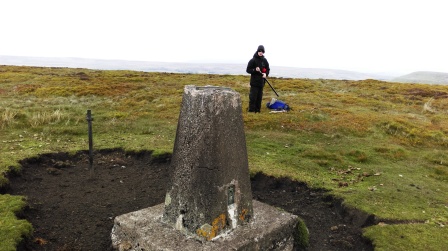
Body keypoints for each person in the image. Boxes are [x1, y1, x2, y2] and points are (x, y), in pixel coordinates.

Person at [246, 45, 270, 113]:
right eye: (259, 51)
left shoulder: (264, 60)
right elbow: (248, 70)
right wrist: (254, 70)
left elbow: (267, 69)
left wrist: (266, 74)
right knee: (253, 97)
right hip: (254, 83)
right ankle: (251, 111)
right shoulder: (253, 60)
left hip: (261, 83)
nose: (260, 52)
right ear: (257, 51)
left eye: (262, 51)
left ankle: (258, 110)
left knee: (259, 98)